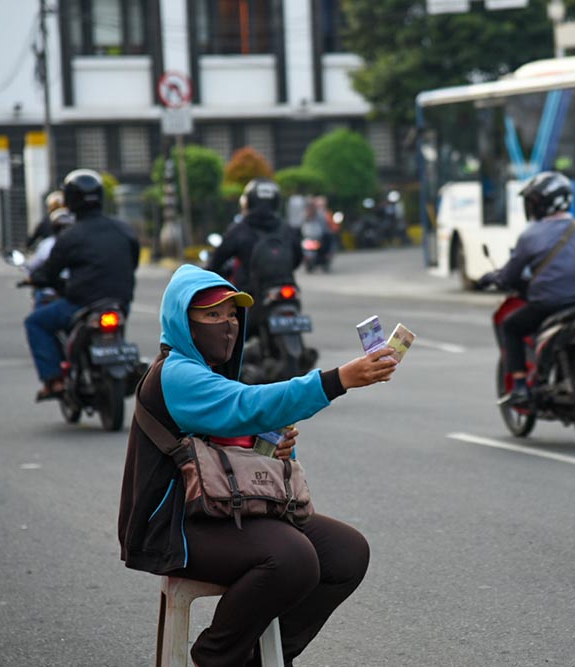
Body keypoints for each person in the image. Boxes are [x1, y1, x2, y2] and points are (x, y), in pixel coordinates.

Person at [117, 264, 398, 667]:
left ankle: (263, 658)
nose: (227, 325)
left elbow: (242, 438)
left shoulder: (213, 374)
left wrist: (279, 447)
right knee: (293, 559)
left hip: (221, 507)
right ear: (183, 322)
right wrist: (338, 380)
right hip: (174, 525)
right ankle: (214, 657)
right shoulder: (177, 374)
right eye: (212, 315)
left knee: (346, 553)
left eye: (232, 315)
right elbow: (248, 406)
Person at [478, 171, 575, 406]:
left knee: (511, 326)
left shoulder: (531, 235)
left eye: (533, 201)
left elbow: (509, 275)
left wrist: (490, 278)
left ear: (543, 203)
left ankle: (518, 386)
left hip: (549, 306)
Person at [24, 168, 140, 401]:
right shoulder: (123, 228)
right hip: (120, 303)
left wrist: (36, 278)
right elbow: (133, 260)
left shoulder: (70, 235)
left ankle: (54, 380)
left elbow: (49, 272)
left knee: (35, 322)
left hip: (81, 304)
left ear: (70, 199)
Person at [206, 178, 302, 334]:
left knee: (232, 337)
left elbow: (219, 258)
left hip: (251, 293)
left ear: (248, 202)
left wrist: (209, 271)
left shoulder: (239, 230)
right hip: (287, 288)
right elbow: (298, 258)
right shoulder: (286, 229)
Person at [23, 204, 76, 308]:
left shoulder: (47, 244)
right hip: (77, 294)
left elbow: (33, 266)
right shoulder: (81, 242)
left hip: (58, 293)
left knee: (33, 322)